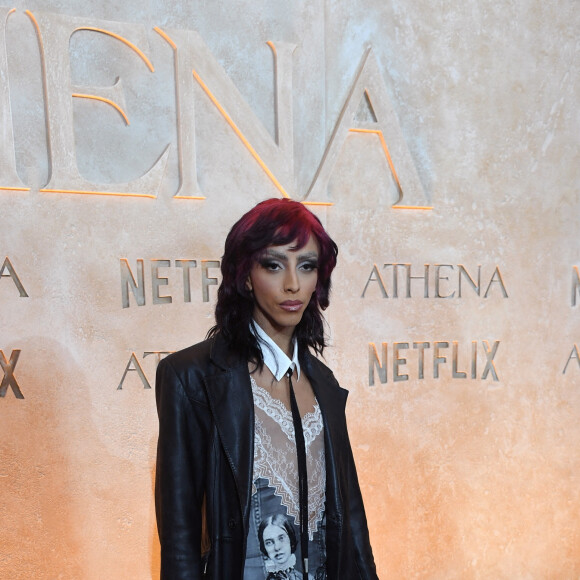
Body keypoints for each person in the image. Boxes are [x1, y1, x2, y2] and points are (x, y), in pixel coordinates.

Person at [155, 198, 378, 579]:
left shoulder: (324, 385)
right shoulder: (191, 377)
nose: (292, 283)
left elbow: (351, 521)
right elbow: (180, 537)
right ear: (244, 275)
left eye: (306, 266)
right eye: (273, 265)